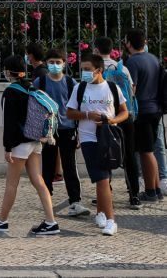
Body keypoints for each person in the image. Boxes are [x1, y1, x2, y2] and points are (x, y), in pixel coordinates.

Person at [0, 55, 59, 235]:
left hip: (19, 143)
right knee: (38, 181)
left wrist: (7, 148)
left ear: (8, 72)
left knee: (11, 183)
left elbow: (9, 123)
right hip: (36, 140)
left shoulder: (11, 91)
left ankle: (2, 220)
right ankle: (51, 221)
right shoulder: (31, 87)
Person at [66, 52, 131, 236]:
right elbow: (69, 113)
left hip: (109, 137)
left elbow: (124, 112)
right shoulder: (79, 88)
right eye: (82, 69)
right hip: (88, 139)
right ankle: (111, 220)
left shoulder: (112, 88)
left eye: (88, 70)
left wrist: (111, 120)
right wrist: (87, 115)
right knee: (101, 178)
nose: (84, 73)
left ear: (99, 70)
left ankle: (102, 213)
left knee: (104, 178)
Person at [33, 49, 87, 216]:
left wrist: (78, 131)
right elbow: (34, 107)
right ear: (46, 63)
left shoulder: (71, 83)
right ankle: (46, 198)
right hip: (48, 130)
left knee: (69, 166)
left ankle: (75, 201)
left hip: (68, 129)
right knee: (47, 166)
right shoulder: (39, 82)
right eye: (51, 62)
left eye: (58, 62)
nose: (55, 65)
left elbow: (78, 107)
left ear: (64, 63)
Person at [94, 36, 141, 208]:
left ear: (97, 50)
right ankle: (134, 195)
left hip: (106, 118)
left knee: (105, 154)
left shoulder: (95, 69)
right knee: (129, 155)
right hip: (125, 115)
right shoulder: (122, 67)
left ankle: (106, 192)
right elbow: (132, 89)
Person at [123, 29, 164, 202]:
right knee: (151, 150)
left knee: (145, 152)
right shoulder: (153, 58)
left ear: (129, 43)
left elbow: (132, 90)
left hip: (142, 111)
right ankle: (155, 189)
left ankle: (150, 190)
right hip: (156, 109)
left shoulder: (132, 62)